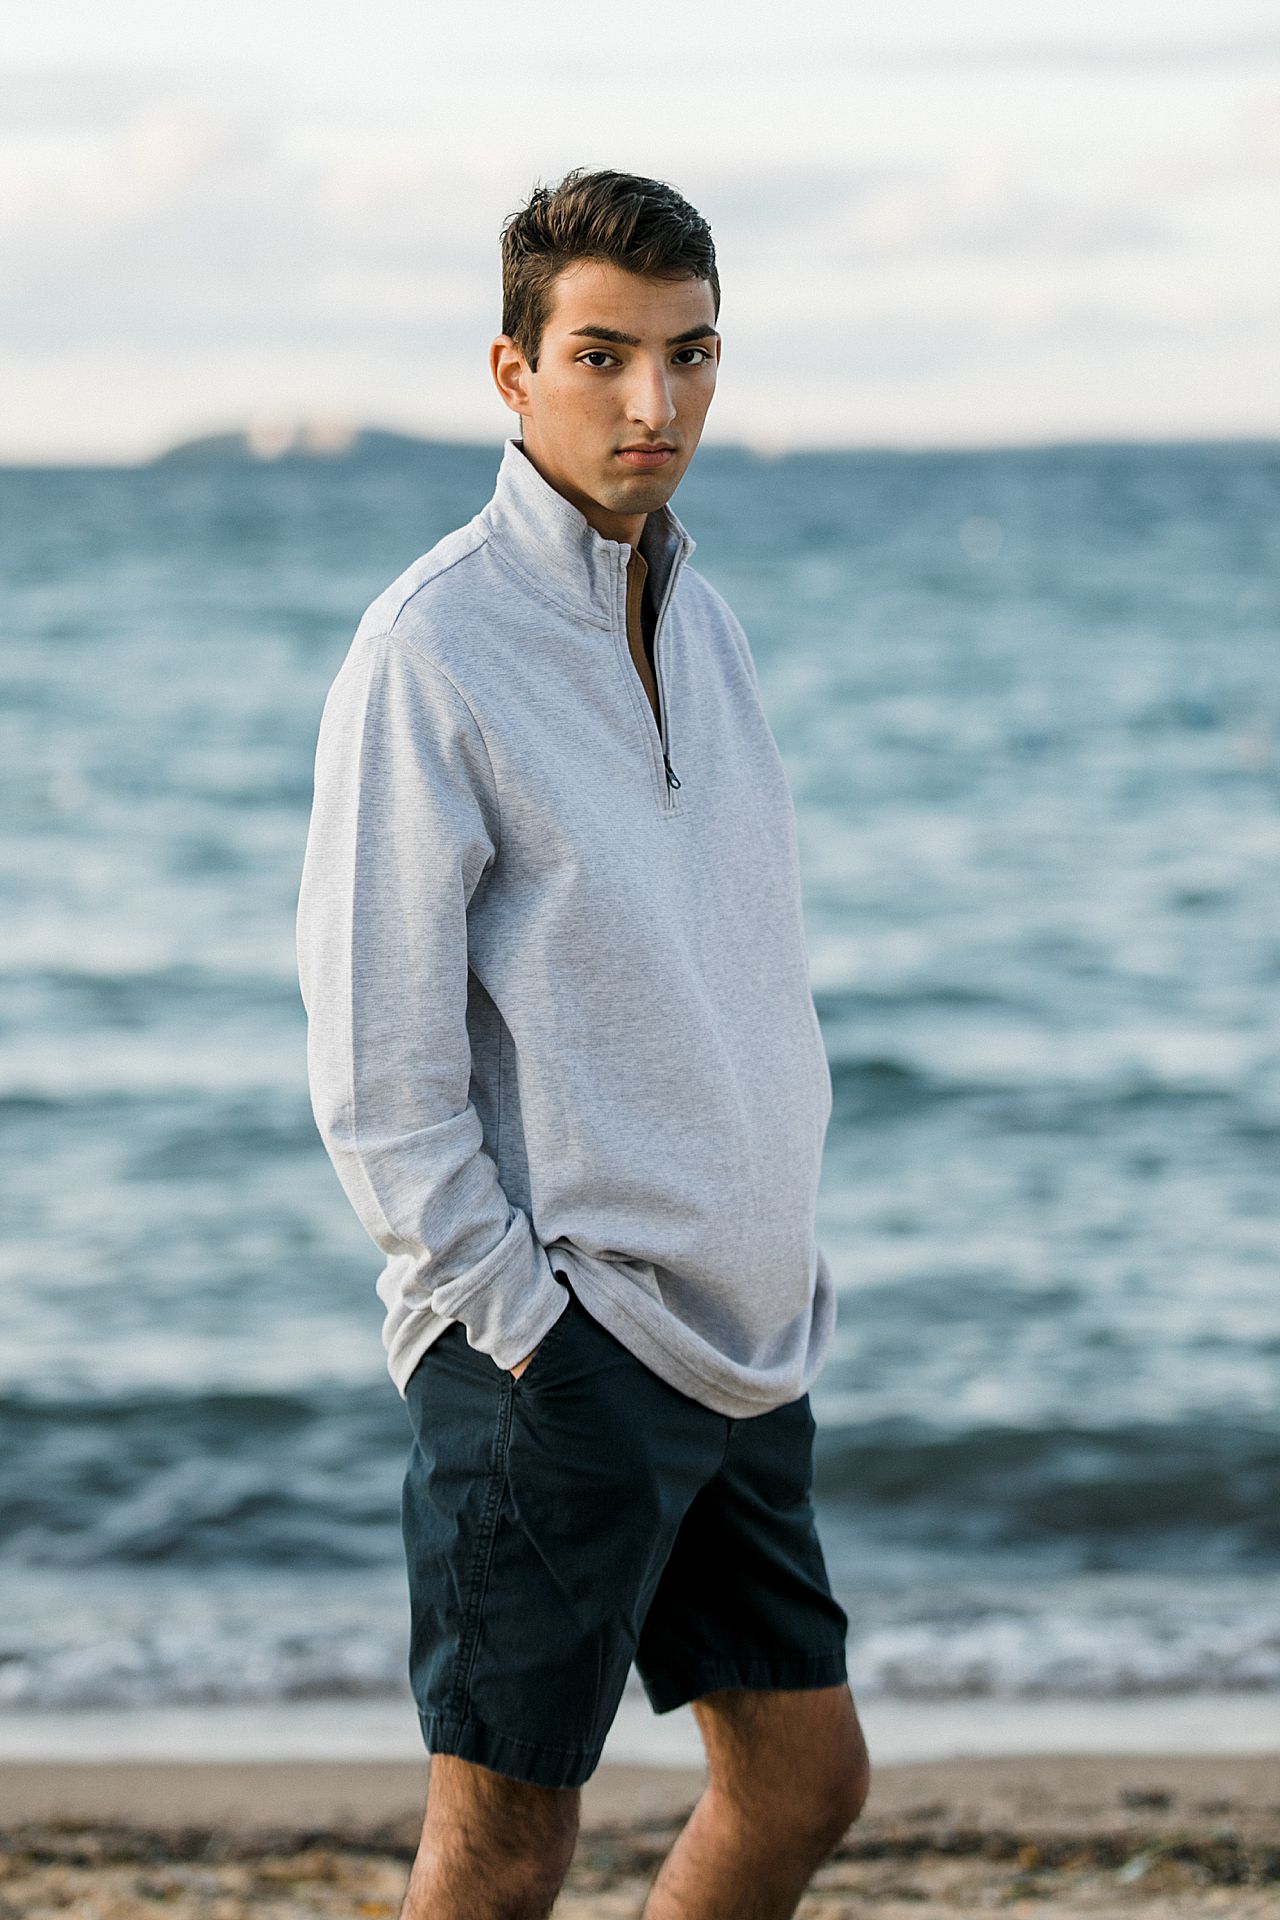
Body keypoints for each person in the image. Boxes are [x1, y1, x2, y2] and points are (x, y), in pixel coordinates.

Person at [295, 165, 870, 1920]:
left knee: (802, 1779)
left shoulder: (702, 617)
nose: (655, 405)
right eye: (605, 356)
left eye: (691, 357)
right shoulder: (433, 648)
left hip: (732, 1340)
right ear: (510, 369)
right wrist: (530, 1340)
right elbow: (377, 1077)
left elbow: (735, 971)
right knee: (504, 1843)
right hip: (559, 1354)